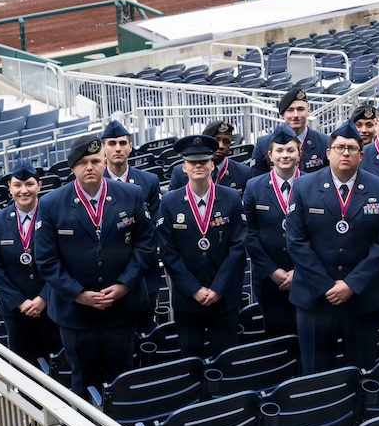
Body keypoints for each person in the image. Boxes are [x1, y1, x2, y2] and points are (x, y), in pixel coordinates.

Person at [33, 136, 154, 397]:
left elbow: (145, 245)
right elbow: (45, 259)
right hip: (76, 314)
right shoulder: (51, 203)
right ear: (72, 168)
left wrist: (124, 285)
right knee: (83, 379)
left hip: (121, 308)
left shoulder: (130, 194)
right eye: (83, 162)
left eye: (95, 161)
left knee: (122, 376)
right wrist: (78, 294)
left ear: (105, 162)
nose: (90, 167)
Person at [287, 121, 379, 373]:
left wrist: (351, 285)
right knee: (315, 373)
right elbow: (296, 242)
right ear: (328, 153)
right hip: (315, 297)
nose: (345, 153)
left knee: (360, 371)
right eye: (339, 148)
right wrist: (327, 286)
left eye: (351, 148)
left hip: (362, 296)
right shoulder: (303, 187)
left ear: (362, 154)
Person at [155, 134, 248, 359]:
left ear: (212, 164)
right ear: (183, 167)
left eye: (204, 160)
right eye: (192, 161)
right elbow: (168, 251)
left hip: (224, 296)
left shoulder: (231, 197)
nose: (198, 165)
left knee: (226, 359)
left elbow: (237, 246)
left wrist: (217, 288)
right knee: (190, 360)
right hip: (188, 298)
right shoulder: (169, 201)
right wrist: (194, 289)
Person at [0, 159, 61, 364]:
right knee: (25, 368)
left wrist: (43, 297)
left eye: (29, 184)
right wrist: (21, 301)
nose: (23, 190)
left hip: (52, 305)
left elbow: (64, 258)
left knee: (58, 365)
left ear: (39, 185)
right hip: (17, 312)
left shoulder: (54, 216)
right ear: (9, 187)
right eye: (18, 185)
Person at [242, 125, 302, 337]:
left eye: (290, 150)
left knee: (304, 334)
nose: (285, 155)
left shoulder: (313, 184)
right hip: (268, 277)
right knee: (274, 335)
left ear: (299, 153)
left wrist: (299, 270)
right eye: (279, 150)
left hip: (305, 275)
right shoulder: (253, 187)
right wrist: (272, 271)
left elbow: (318, 233)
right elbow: (249, 233)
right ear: (270, 155)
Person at [101, 120, 162, 326]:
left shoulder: (149, 181)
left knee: (146, 335)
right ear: (103, 148)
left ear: (130, 146)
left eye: (122, 143)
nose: (117, 148)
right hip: (107, 279)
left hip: (144, 274)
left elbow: (154, 228)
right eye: (111, 143)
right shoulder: (93, 183)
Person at [252, 86, 329, 176]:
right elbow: (256, 181)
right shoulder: (263, 144)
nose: (295, 115)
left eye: (300, 109)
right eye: (290, 110)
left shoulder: (325, 142)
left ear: (308, 111)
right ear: (281, 114)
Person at [171, 121, 252, 193]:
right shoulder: (180, 173)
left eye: (226, 142)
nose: (221, 146)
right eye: (216, 141)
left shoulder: (243, 173)